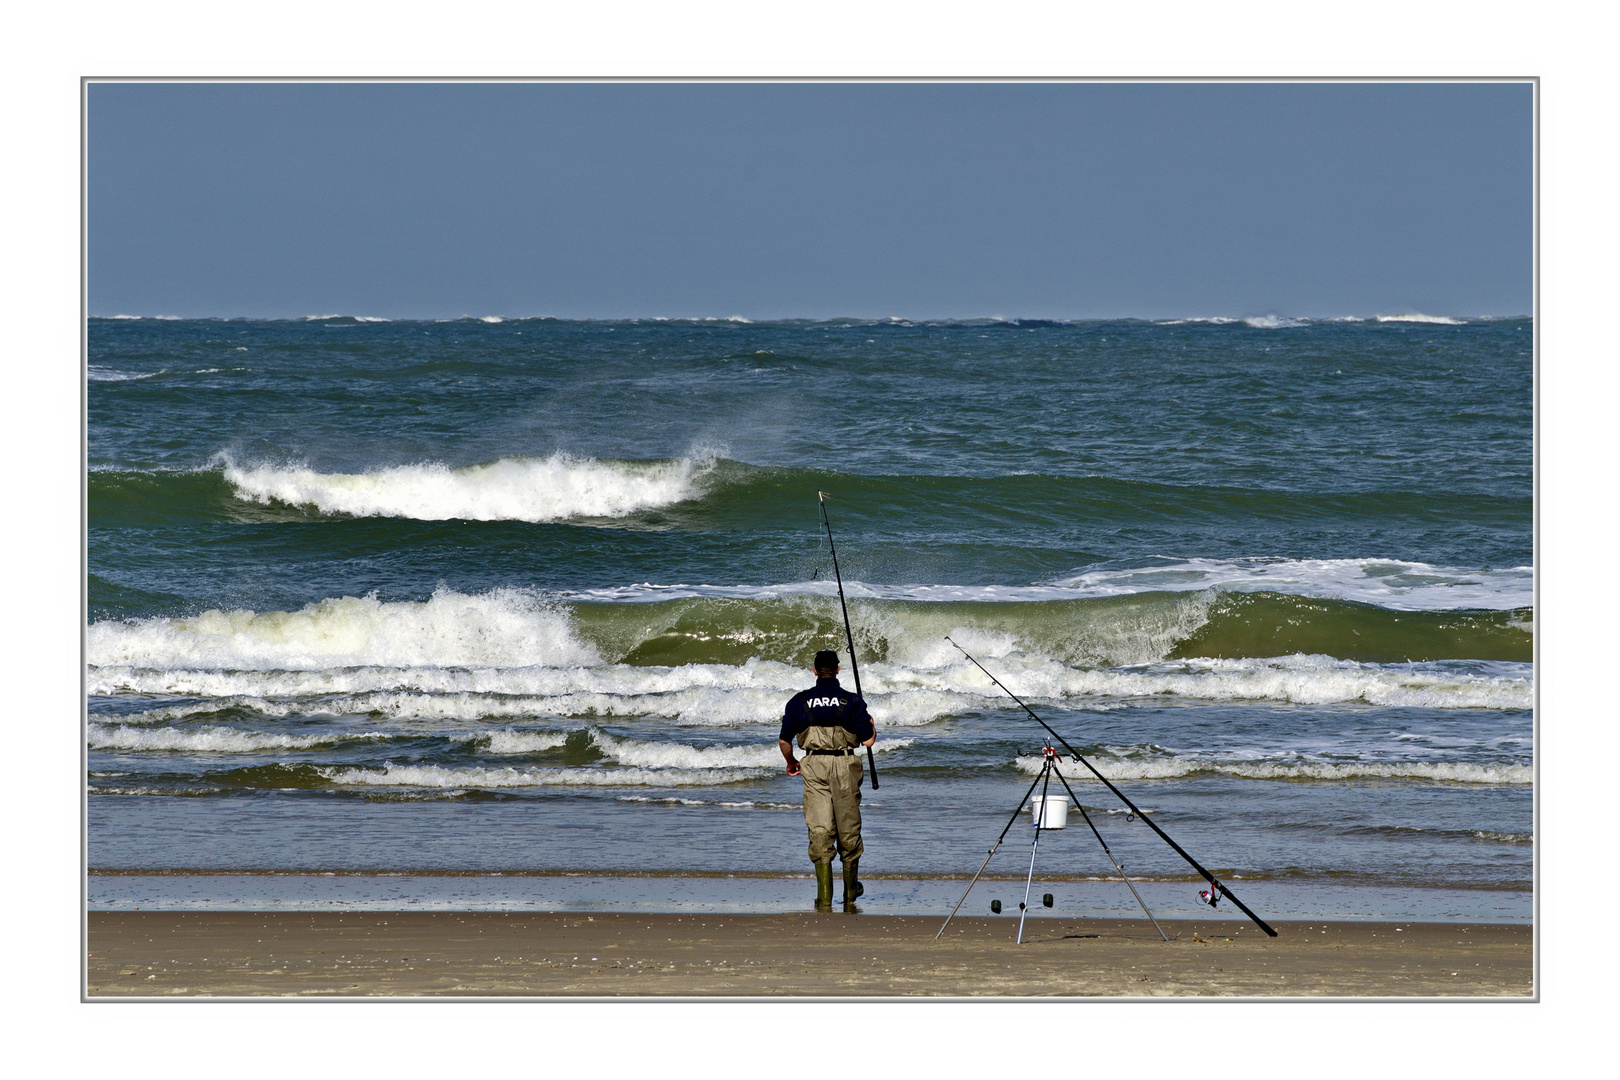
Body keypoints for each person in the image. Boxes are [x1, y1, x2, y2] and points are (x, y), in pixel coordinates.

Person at [779, 648, 876, 911]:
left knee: (820, 827)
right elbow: (867, 740)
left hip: (813, 764)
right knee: (848, 827)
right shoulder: (851, 701)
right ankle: (849, 894)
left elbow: (784, 740)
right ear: (837, 670)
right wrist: (871, 722)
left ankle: (824, 898)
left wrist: (791, 762)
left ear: (814, 671)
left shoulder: (799, 701)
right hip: (845, 765)